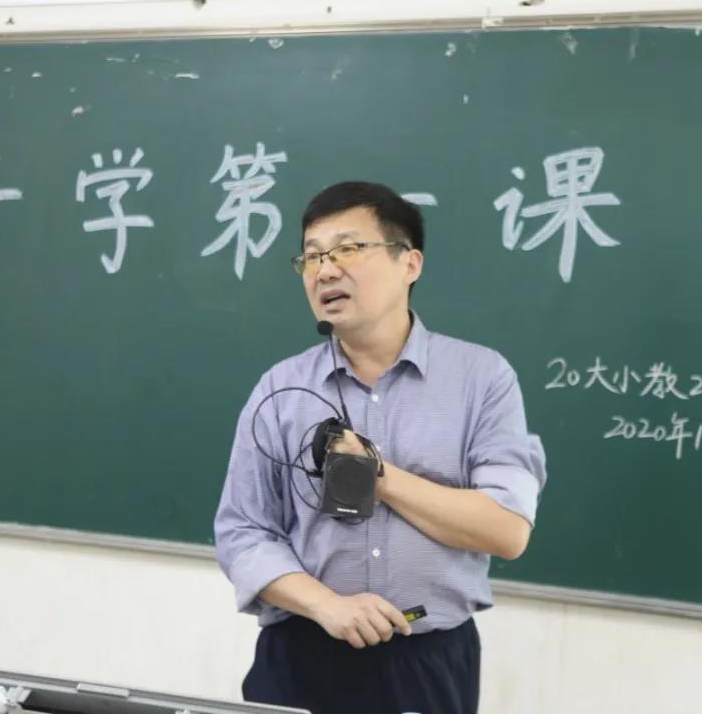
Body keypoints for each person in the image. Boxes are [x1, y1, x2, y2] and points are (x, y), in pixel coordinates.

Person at [214, 181, 546, 714]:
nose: (325, 271)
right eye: (312, 256)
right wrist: (328, 606)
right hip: (302, 653)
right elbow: (242, 533)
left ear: (409, 263)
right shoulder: (280, 388)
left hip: (428, 660)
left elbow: (506, 528)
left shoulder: (482, 378)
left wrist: (377, 476)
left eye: (347, 249)